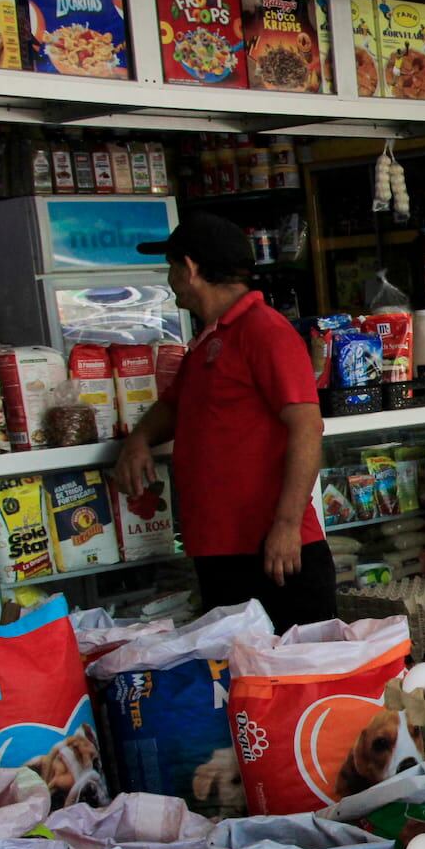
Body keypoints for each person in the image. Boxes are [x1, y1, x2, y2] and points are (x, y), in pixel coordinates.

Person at [114, 213, 333, 629]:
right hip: (220, 551)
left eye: (171, 267)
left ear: (190, 269)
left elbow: (307, 427)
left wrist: (286, 525)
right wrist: (139, 439)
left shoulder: (265, 331)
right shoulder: (209, 341)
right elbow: (173, 407)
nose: (170, 280)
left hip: (274, 552)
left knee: (293, 667)